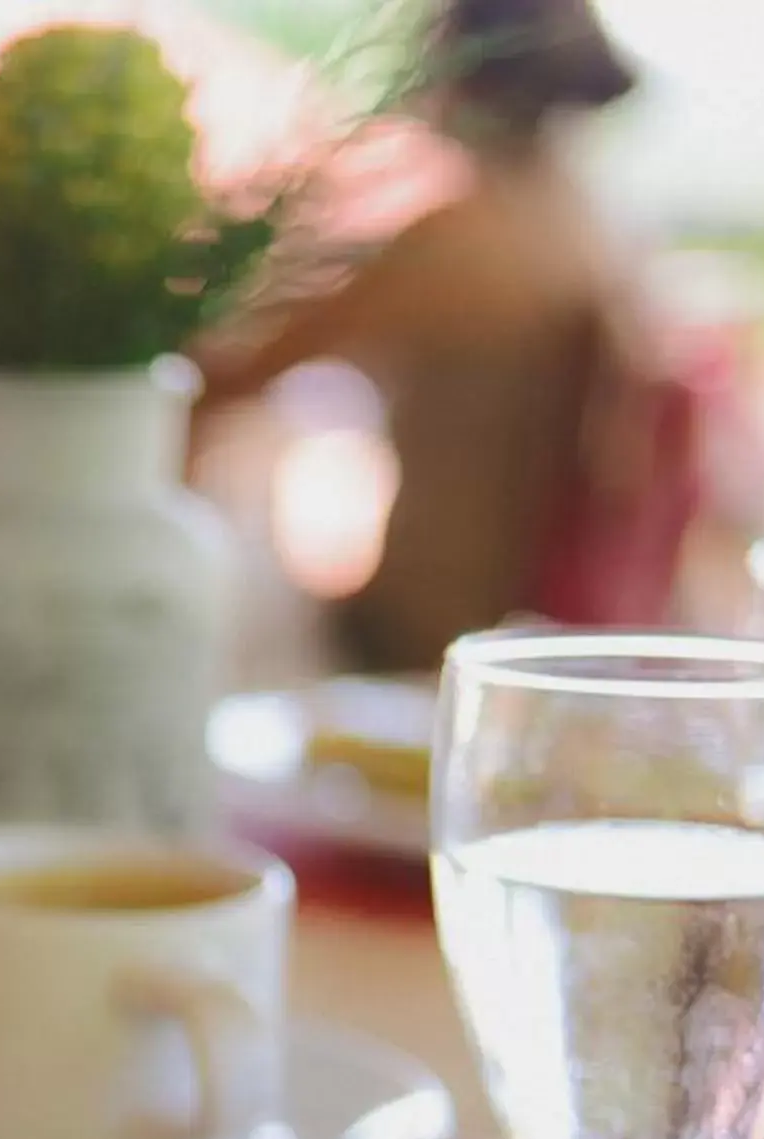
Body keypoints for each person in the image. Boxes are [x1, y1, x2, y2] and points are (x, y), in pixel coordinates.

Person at [195, 0, 689, 674]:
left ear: (453, 69)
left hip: (422, 632)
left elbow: (230, 378)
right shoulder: (587, 229)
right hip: (533, 622)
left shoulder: (457, 237)